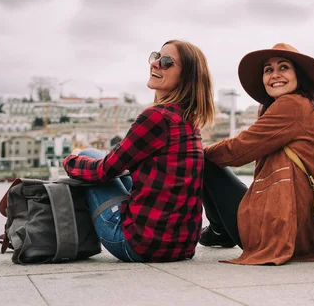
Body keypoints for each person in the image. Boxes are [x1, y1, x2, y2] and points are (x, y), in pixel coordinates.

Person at [62, 40, 214, 262]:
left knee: (87, 156)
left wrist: (70, 161)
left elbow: (104, 170)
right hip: (182, 247)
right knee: (93, 155)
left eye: (166, 62)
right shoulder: (188, 121)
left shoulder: (156, 117)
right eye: (155, 57)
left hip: (138, 245)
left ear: (186, 76)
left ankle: (62, 231)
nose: (155, 64)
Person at [200, 43, 314, 265]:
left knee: (205, 162)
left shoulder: (292, 104)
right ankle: (219, 230)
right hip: (311, 230)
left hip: (283, 229)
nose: (274, 75)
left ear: (299, 75)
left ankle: (219, 230)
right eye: (268, 70)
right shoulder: (310, 107)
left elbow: (239, 150)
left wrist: (198, 151)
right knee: (210, 160)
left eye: (283, 67)